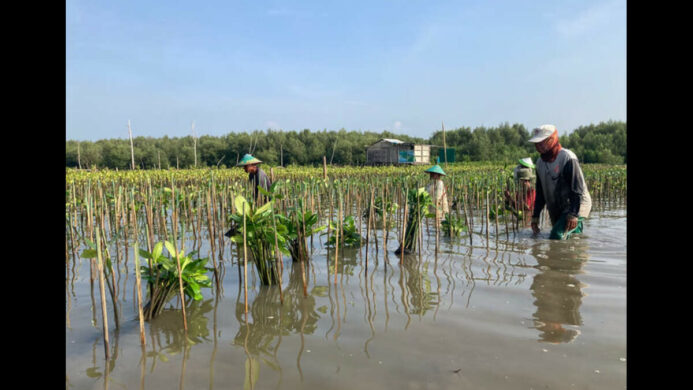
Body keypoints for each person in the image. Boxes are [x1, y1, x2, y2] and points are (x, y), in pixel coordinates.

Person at [528, 125, 592, 240]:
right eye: (537, 143)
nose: (538, 146)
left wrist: (573, 214)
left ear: (551, 140)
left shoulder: (567, 158)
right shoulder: (539, 163)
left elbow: (576, 188)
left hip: (576, 204)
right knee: (570, 237)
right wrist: (535, 216)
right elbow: (540, 193)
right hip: (558, 206)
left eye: (542, 142)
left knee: (556, 236)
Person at [504, 157, 536, 223]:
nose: (521, 183)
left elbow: (525, 208)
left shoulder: (532, 192)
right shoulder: (519, 191)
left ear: (527, 181)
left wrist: (510, 198)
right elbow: (514, 205)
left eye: (522, 181)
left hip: (528, 219)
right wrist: (507, 199)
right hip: (521, 219)